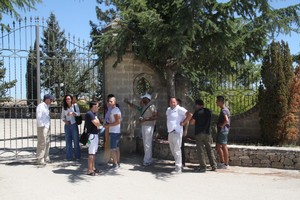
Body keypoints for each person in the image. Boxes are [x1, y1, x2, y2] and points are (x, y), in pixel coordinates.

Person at [190, 99, 217, 172]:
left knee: (200, 150)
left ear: (198, 105)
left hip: (199, 133)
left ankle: (203, 166)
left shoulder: (197, 112)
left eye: (196, 105)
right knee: (209, 149)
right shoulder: (208, 111)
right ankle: (214, 165)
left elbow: (192, 122)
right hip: (207, 133)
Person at [166, 97, 192, 173]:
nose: (172, 104)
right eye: (171, 102)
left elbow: (189, 115)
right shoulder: (168, 110)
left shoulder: (180, 109)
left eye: (174, 102)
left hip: (177, 132)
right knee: (172, 150)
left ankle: (178, 168)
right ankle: (178, 163)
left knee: (177, 150)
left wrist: (183, 123)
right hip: (170, 132)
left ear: (176, 103)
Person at [139, 93, 157, 166]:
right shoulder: (144, 106)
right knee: (146, 143)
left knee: (147, 143)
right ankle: (148, 158)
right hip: (144, 126)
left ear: (147, 99)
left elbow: (155, 116)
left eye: (144, 98)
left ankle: (147, 160)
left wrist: (145, 119)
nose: (142, 99)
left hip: (149, 126)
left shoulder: (152, 106)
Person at [61, 94, 81, 160]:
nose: (67, 100)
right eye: (66, 99)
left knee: (76, 141)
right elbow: (62, 117)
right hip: (67, 125)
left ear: (71, 99)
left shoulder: (75, 106)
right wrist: (65, 121)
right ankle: (69, 157)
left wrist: (73, 113)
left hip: (74, 124)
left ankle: (77, 156)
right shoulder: (64, 107)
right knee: (68, 141)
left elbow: (78, 113)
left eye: (69, 99)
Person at [104, 96, 122, 170]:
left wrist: (108, 125)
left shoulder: (115, 110)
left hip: (114, 131)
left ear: (115, 102)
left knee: (113, 149)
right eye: (109, 101)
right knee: (116, 148)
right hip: (115, 131)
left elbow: (118, 121)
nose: (109, 103)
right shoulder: (114, 110)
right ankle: (117, 162)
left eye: (111, 101)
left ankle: (115, 164)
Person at [36, 94, 54, 165]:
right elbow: (39, 116)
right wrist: (42, 126)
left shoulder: (47, 106)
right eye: (51, 100)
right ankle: (40, 159)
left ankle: (46, 157)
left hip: (47, 126)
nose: (52, 101)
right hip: (42, 126)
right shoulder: (41, 106)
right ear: (47, 99)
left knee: (47, 142)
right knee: (42, 142)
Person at [85, 101, 101, 176]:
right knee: (91, 153)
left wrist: (98, 122)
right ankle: (90, 170)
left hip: (95, 134)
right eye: (97, 106)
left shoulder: (94, 114)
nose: (98, 108)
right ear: (93, 106)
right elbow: (97, 123)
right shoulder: (89, 114)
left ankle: (93, 168)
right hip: (91, 135)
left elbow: (98, 123)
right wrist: (98, 122)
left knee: (94, 152)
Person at [216, 96, 230, 169]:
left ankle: (225, 164)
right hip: (223, 131)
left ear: (221, 102)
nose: (216, 102)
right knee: (218, 146)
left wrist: (222, 125)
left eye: (217, 101)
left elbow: (226, 120)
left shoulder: (224, 110)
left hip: (223, 131)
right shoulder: (224, 109)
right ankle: (222, 162)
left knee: (223, 146)